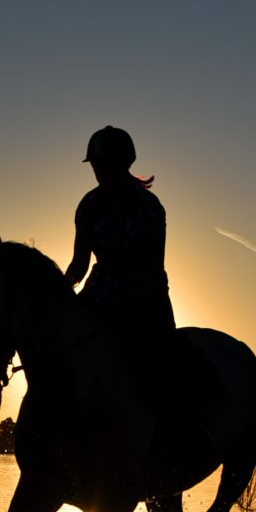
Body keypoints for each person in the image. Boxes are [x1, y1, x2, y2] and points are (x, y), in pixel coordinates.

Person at [65, 126, 176, 361]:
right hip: (98, 294)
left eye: (104, 164)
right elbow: (79, 264)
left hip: (146, 300)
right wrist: (61, 291)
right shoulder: (88, 205)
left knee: (168, 362)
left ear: (123, 163)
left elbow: (154, 269)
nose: (99, 171)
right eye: (96, 165)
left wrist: (129, 307)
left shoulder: (149, 206)